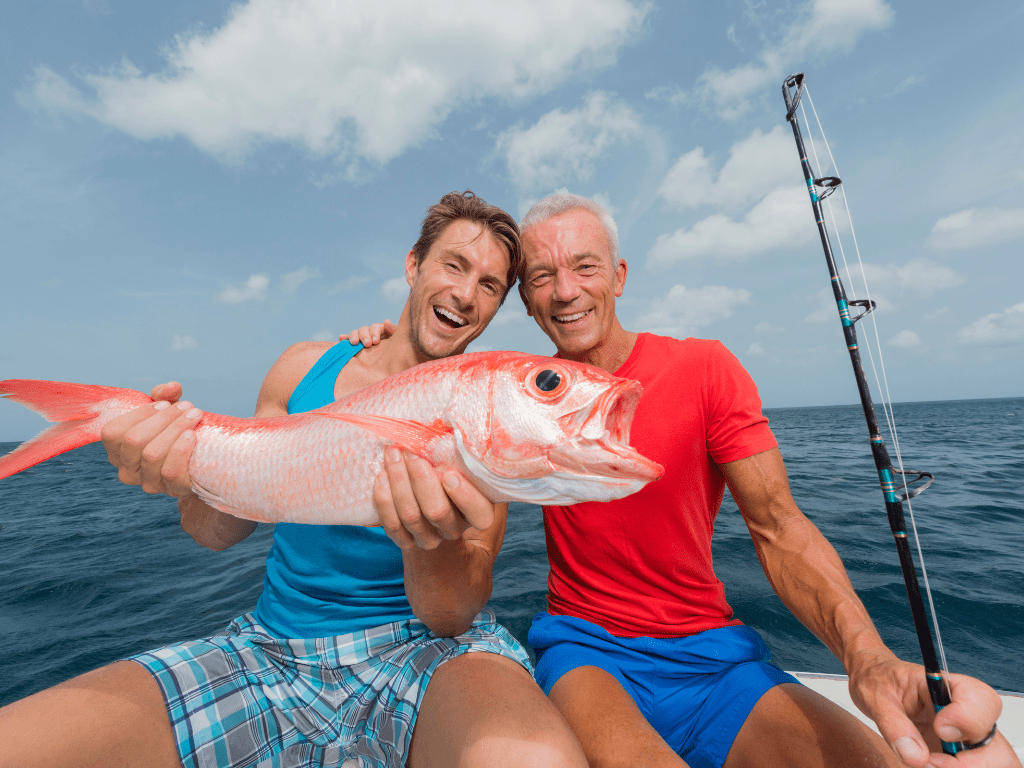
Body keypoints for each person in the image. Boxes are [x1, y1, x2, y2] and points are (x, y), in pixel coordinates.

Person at [351, 192, 1019, 768]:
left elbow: (780, 528)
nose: (565, 290)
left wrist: (867, 659)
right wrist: (380, 340)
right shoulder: (519, 394)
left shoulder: (706, 369)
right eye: (543, 276)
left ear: (618, 275)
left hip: (717, 658)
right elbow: (442, 389)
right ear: (526, 301)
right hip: (587, 654)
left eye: (585, 267)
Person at [0, 192, 587, 768]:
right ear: (414, 266)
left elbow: (452, 615)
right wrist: (179, 474)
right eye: (453, 266)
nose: (465, 293)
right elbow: (217, 531)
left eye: (489, 286)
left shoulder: (490, 422)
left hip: (429, 654)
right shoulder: (304, 366)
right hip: (271, 649)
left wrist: (429, 539)